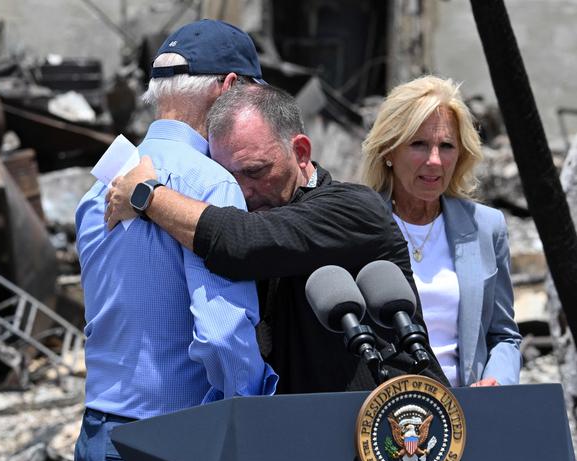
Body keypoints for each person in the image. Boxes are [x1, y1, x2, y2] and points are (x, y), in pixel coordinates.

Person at [105, 83, 451, 393]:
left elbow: (242, 242)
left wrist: (149, 195)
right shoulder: (263, 210)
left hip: (403, 432)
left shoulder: (354, 210)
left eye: (256, 171)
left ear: (300, 152)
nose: (243, 191)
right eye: (228, 176)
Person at [74, 19, 277, 461]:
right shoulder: (211, 183)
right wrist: (256, 407)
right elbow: (222, 335)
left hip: (97, 436)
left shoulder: (98, 188)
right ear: (229, 88)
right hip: (173, 447)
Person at [358, 75, 521, 387]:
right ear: (389, 151)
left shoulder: (486, 227)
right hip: (381, 416)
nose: (434, 161)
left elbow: (503, 334)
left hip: (467, 416)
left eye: (446, 146)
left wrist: (497, 380)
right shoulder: (358, 226)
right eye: (418, 144)